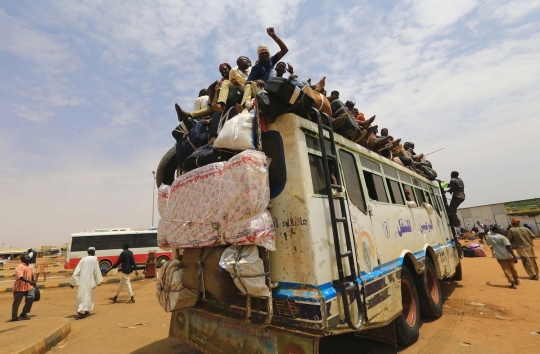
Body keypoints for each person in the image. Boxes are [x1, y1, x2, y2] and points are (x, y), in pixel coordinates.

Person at [70, 247, 103, 319]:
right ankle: (82, 312)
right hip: (90, 281)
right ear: (94, 252)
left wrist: (73, 282)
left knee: (82, 296)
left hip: (82, 281)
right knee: (88, 296)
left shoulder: (83, 259)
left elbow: (76, 272)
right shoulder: (94, 259)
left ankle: (85, 310)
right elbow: (96, 271)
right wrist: (98, 281)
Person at [11, 254, 36, 321]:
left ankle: (24, 313)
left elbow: (32, 275)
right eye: (26, 257)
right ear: (22, 259)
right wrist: (30, 282)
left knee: (31, 297)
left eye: (28, 257)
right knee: (17, 302)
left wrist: (33, 281)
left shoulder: (30, 266)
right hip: (19, 287)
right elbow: (21, 277)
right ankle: (14, 317)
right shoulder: (19, 267)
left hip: (28, 287)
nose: (28, 258)